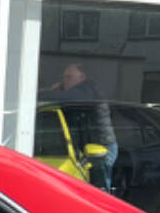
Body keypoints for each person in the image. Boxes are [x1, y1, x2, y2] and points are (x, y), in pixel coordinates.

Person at [48, 63, 118, 192]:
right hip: (86, 147)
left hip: (100, 147)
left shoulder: (86, 91)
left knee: (99, 191)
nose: (65, 81)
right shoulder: (76, 92)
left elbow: (63, 97)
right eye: (64, 77)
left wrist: (49, 92)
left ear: (82, 78)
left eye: (69, 77)